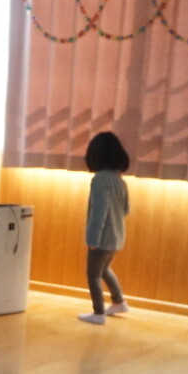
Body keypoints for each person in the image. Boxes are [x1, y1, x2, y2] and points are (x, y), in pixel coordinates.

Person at [78, 131, 131, 325]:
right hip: (117, 236)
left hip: (102, 238)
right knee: (104, 269)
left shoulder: (99, 180)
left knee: (93, 275)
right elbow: (126, 209)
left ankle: (98, 312)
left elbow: (99, 212)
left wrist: (93, 239)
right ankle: (118, 302)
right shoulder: (119, 180)